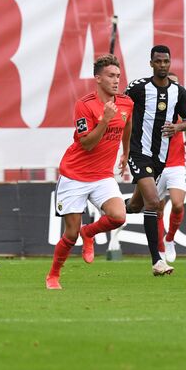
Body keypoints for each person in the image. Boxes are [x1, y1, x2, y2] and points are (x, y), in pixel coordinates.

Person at [46, 54, 133, 290]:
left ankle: (90, 232)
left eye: (118, 76)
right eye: (111, 76)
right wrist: (104, 120)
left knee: (118, 216)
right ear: (98, 78)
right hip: (75, 175)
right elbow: (87, 144)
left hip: (103, 176)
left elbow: (127, 126)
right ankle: (53, 275)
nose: (116, 80)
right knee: (70, 234)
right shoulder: (84, 104)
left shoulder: (126, 103)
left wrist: (125, 152)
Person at [123, 46, 186, 275]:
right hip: (139, 152)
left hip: (161, 160)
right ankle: (157, 260)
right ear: (151, 63)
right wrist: (122, 150)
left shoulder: (179, 92)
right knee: (154, 203)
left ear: (170, 62)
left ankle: (109, 209)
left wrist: (177, 127)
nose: (163, 65)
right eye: (158, 61)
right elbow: (120, 109)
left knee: (135, 206)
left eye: (166, 61)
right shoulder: (138, 87)